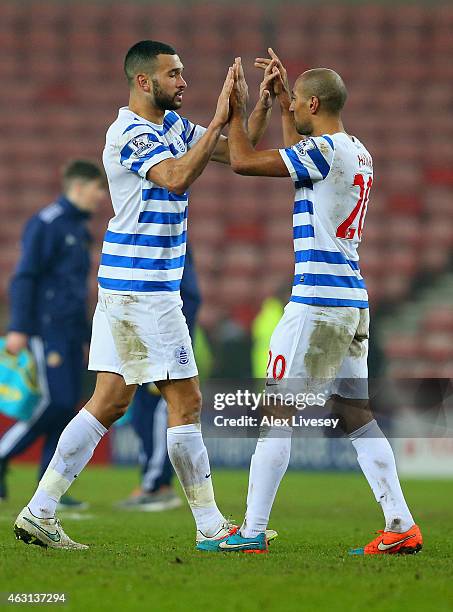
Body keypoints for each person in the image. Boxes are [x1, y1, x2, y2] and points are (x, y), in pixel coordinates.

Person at [13, 42, 278, 550]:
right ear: (143, 81)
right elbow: (177, 178)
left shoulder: (171, 127)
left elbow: (233, 151)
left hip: (133, 286)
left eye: (183, 73)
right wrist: (220, 118)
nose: (183, 82)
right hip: (144, 289)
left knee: (109, 402)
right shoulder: (129, 133)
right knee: (187, 401)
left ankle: (40, 511)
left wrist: (252, 106)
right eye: (174, 74)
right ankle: (211, 527)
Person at [197, 51, 422, 555]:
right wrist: (280, 106)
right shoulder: (355, 149)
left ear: (314, 103)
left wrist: (234, 112)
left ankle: (251, 532)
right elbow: (304, 164)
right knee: (356, 412)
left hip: (317, 303)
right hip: (351, 298)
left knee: (277, 413)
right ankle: (400, 523)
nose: (291, 106)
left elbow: (241, 161)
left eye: (297, 101)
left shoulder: (323, 151)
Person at [0, 160, 106, 509]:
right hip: (47, 331)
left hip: (70, 333)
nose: (100, 197)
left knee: (65, 409)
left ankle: (49, 488)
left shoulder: (78, 228)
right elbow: (25, 277)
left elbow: (75, 291)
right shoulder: (47, 225)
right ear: (78, 187)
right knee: (54, 403)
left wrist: (88, 336)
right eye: (97, 189)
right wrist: (19, 327)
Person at [118, 246, 200, 511]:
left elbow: (188, 299)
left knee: (155, 416)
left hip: (162, 345)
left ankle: (153, 485)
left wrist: (171, 341)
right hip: (144, 342)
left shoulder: (172, 248)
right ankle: (157, 483)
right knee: (143, 416)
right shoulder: (154, 245)